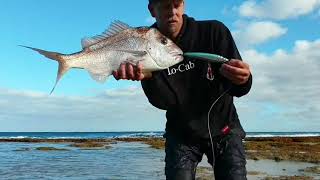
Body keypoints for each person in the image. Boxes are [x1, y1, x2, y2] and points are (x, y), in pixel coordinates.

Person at [113, 0, 252, 179]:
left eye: (177, 4)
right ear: (152, 10)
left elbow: (239, 90)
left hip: (225, 130)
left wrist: (244, 79)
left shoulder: (214, 32)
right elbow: (162, 103)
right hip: (181, 134)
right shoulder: (143, 44)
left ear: (184, 5)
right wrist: (147, 78)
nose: (172, 12)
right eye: (164, 6)